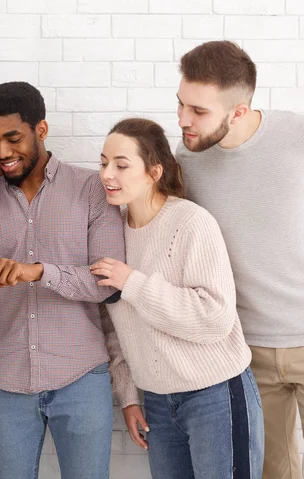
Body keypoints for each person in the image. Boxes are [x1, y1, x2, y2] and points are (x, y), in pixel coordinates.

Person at [0, 81, 126, 479]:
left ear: (40, 130)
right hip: (5, 382)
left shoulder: (91, 190)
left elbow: (108, 283)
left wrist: (40, 272)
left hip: (81, 378)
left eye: (13, 138)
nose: (2, 153)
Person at [92, 117, 263, 478]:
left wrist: (133, 283)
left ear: (154, 172)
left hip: (215, 396)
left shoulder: (191, 222)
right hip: (155, 403)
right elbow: (111, 325)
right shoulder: (108, 231)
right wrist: (129, 396)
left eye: (121, 165)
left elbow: (215, 315)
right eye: (104, 162)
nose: (108, 174)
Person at [175, 40, 304, 479]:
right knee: (275, 472)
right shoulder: (186, 159)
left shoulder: (297, 137)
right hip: (246, 350)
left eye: (199, 111)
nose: (184, 121)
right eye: (181, 104)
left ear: (239, 111)